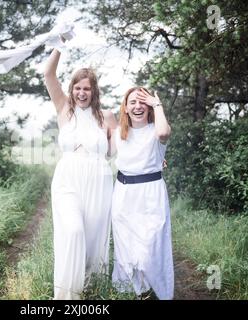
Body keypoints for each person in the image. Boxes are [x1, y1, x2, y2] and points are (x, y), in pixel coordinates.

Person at [43, 48, 117, 300]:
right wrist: (59, 44)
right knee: (73, 231)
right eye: (78, 88)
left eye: (87, 89)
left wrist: (155, 155)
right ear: (72, 89)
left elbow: (119, 150)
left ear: (94, 91)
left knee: (95, 242)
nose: (82, 93)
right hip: (67, 179)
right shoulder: (64, 108)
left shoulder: (106, 116)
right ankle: (67, 296)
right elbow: (48, 74)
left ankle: (93, 293)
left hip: (99, 180)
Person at [109, 87, 174, 300]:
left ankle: (154, 288)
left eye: (142, 102)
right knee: (127, 249)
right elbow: (104, 153)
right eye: (133, 103)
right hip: (124, 194)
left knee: (149, 248)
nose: (137, 107)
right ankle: (138, 292)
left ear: (149, 106)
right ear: (125, 108)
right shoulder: (120, 133)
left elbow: (164, 133)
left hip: (150, 195)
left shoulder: (157, 130)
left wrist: (157, 103)